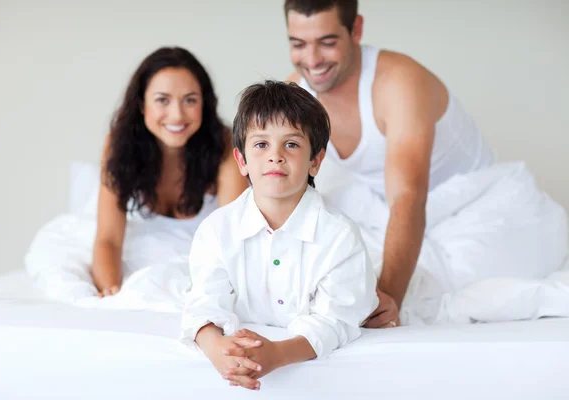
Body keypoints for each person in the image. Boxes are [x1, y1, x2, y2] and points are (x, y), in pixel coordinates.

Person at [283, 0, 568, 327]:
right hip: (383, 208)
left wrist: (388, 299)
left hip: (476, 210)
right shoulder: (298, 92)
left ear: (356, 29)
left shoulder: (398, 82)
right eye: (298, 44)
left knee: (436, 299)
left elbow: (408, 197)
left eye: (327, 42)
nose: (313, 59)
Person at [180, 80, 377, 391]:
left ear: (316, 160)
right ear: (241, 161)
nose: (276, 156)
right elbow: (203, 305)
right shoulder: (217, 231)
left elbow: (335, 322)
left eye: (292, 144)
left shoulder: (339, 237)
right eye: (261, 145)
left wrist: (277, 354)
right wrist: (217, 350)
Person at [91, 47, 248, 296]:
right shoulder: (118, 145)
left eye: (190, 100)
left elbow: (232, 242)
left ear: (204, 104)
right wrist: (113, 294)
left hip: (201, 275)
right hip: (139, 272)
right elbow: (108, 239)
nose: (177, 114)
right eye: (162, 100)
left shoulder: (226, 146)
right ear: (142, 104)